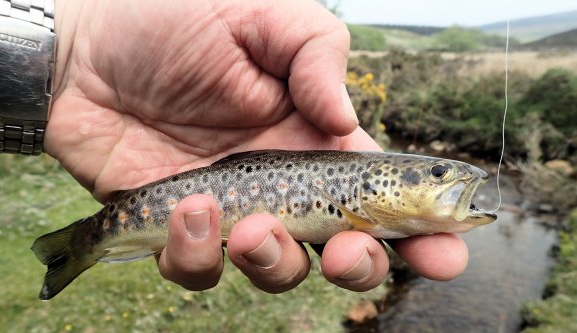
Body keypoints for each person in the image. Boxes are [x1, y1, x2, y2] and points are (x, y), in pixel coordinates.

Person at [45, 0, 468, 293]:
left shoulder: (369, 198)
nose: (452, 179)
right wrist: (70, 47)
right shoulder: (361, 194)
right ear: (378, 185)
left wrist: (65, 60)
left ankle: (85, 241)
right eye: (437, 173)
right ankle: (85, 241)